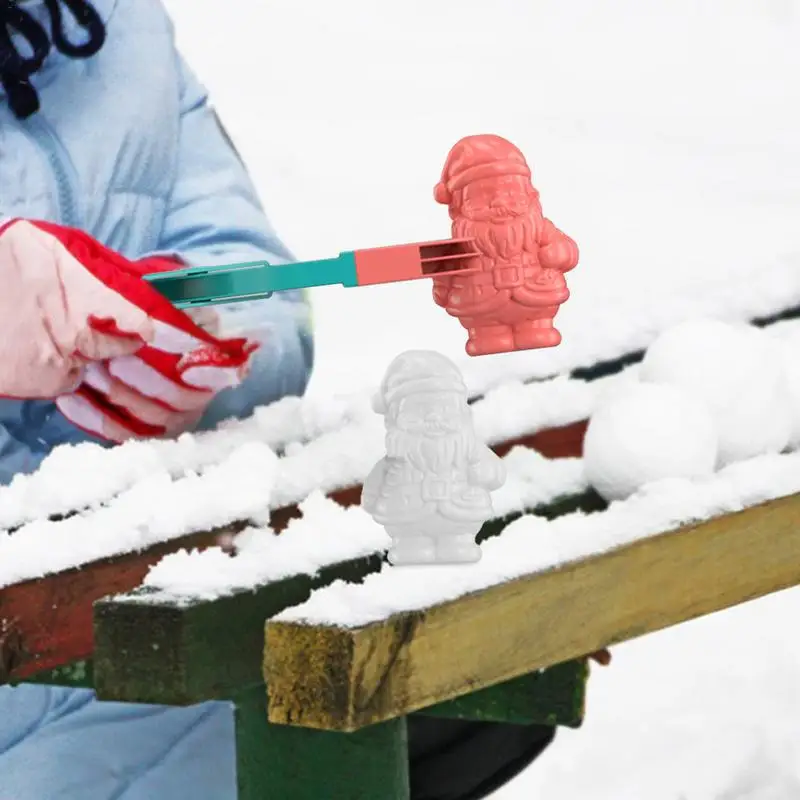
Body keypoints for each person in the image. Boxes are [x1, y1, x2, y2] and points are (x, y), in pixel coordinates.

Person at [0, 1, 569, 797]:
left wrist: (211, 346)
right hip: (36, 671)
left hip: (168, 611)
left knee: (467, 664)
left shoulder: (116, 25)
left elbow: (245, 269)